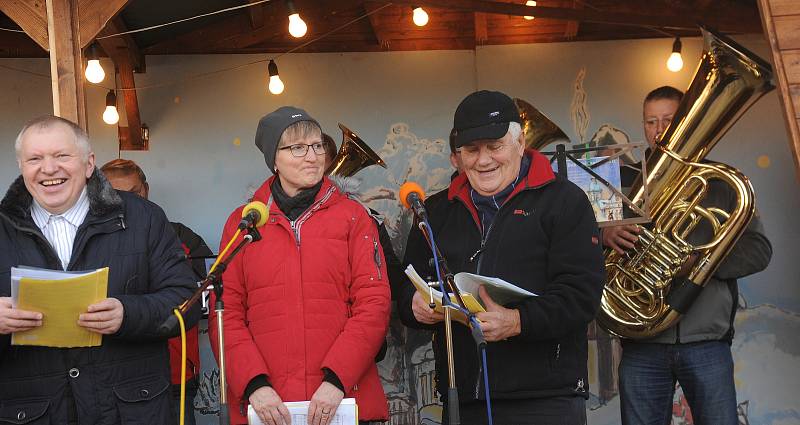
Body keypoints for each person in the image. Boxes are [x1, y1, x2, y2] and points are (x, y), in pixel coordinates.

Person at [399, 90, 605, 424]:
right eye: (471, 150)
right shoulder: (434, 212)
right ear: (457, 157)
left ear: (521, 143)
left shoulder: (566, 202)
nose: (483, 160)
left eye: (495, 147)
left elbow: (582, 296)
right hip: (462, 397)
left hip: (547, 397)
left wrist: (517, 322)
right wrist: (416, 306)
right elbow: (406, 287)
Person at [0, 115, 199, 424]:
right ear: (21, 167)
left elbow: (188, 300)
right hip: (33, 412)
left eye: (62, 155)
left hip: (130, 410)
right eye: (35, 158)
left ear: (89, 163)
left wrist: (127, 314)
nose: (49, 168)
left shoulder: (144, 218)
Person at [210, 106, 391, 425]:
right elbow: (225, 313)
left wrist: (337, 380)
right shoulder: (243, 224)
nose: (313, 156)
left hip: (342, 400)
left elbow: (374, 303)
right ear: (273, 159)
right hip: (268, 405)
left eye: (318, 145)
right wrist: (254, 385)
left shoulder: (354, 217)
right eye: (297, 148)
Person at [603, 86, 773, 425]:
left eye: (669, 119)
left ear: (685, 122)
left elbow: (759, 251)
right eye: (651, 121)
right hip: (641, 343)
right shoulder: (618, 182)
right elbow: (579, 249)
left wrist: (700, 264)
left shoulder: (722, 184)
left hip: (706, 342)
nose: (659, 129)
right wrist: (603, 234)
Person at [101, 158, 213, 425]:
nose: (127, 201)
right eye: (116, 194)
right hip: (111, 375)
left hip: (177, 374)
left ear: (146, 190)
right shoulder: (91, 243)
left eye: (134, 192)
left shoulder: (182, 237)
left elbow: (208, 297)